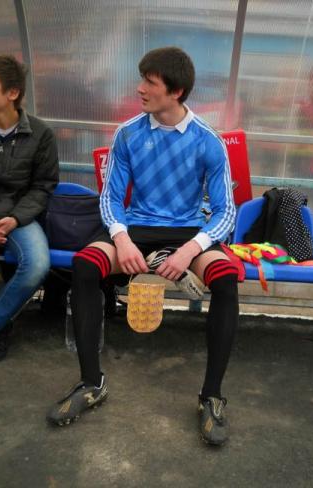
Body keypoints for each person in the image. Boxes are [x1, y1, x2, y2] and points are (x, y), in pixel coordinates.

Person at [46, 47, 240, 446]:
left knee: (225, 277)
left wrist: (189, 250)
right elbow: (110, 198)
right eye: (142, 80)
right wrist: (121, 238)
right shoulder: (128, 133)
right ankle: (91, 383)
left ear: (176, 91)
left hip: (187, 231)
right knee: (85, 265)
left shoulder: (208, 141)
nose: (140, 89)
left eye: (150, 82)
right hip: (135, 228)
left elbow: (226, 212)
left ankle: (212, 396)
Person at [0, 55, 59, 361]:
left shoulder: (40, 134)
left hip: (19, 218)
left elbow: (43, 186)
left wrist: (15, 218)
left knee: (37, 265)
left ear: (12, 93)